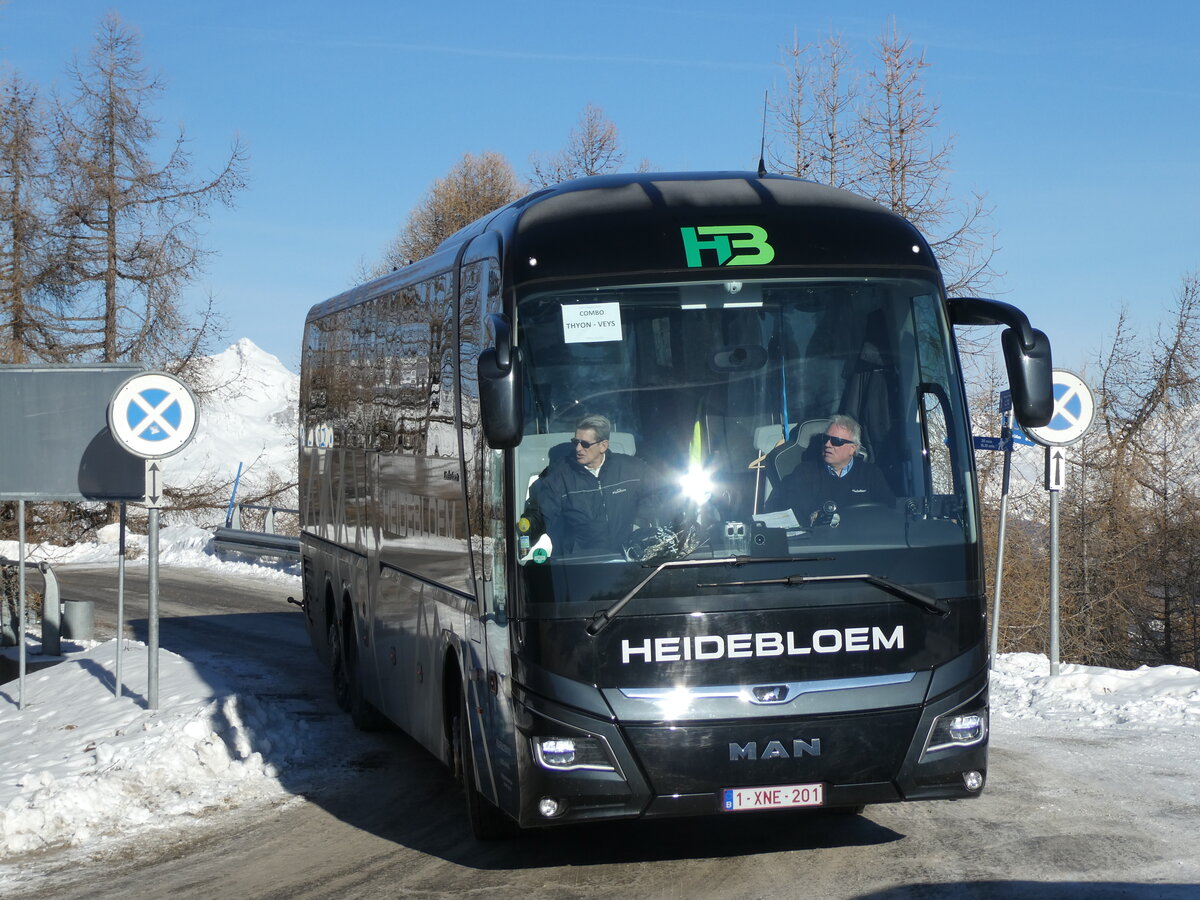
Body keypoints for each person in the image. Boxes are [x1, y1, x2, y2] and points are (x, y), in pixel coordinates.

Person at [520, 414, 656, 557]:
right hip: (581, 564)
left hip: (628, 560)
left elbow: (661, 494)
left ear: (603, 445)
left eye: (584, 444)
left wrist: (640, 522)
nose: (578, 448)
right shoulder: (558, 476)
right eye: (575, 442)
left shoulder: (631, 468)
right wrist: (528, 526)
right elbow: (541, 512)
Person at [773, 414, 893, 525]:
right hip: (822, 544)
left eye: (836, 441)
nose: (828, 444)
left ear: (853, 448)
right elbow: (794, 514)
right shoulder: (804, 473)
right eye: (825, 439)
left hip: (862, 541)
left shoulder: (871, 473)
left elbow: (888, 510)